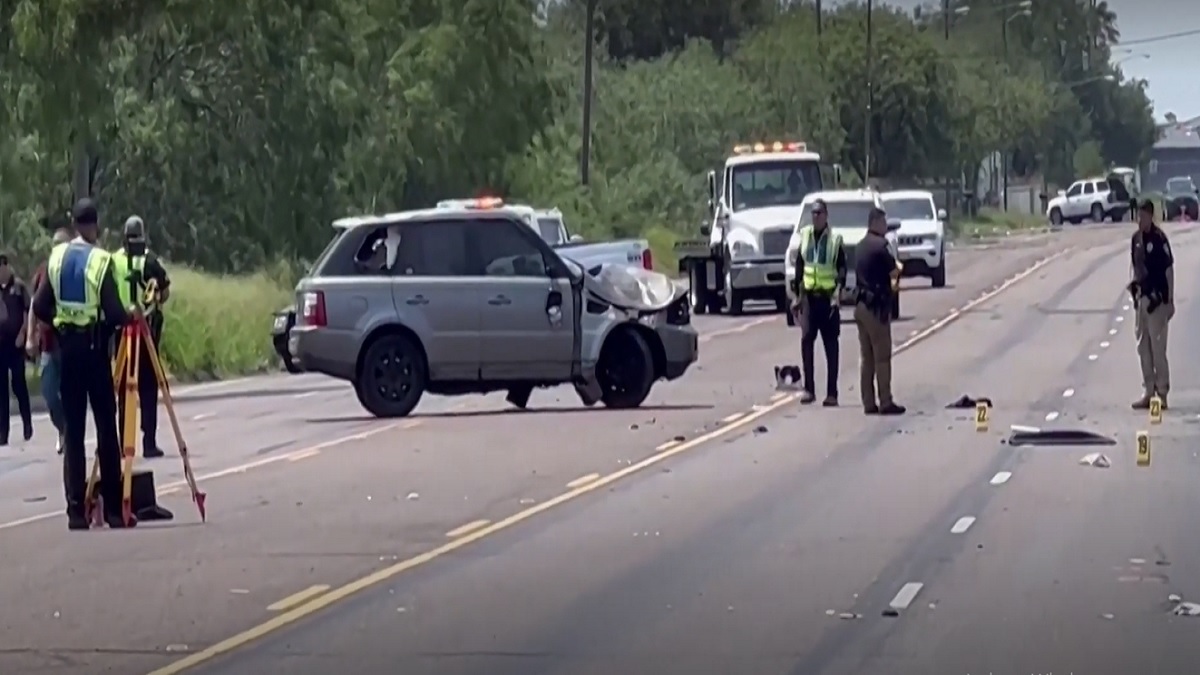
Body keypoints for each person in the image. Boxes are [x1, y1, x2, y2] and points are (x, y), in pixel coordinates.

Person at [32, 198, 139, 530]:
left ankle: (76, 510)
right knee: (107, 427)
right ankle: (111, 510)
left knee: (74, 432)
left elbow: (39, 306)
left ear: (74, 223)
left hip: (69, 352)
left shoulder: (57, 257)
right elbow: (115, 310)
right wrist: (126, 316)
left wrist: (63, 324)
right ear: (95, 226)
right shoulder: (100, 260)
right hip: (94, 350)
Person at [110, 216, 171, 458]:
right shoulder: (151, 260)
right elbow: (164, 292)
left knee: (125, 388)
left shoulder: (113, 260)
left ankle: (125, 443)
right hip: (145, 332)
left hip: (121, 331)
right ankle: (149, 441)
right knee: (147, 387)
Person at [790, 198, 846, 406]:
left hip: (827, 299)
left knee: (831, 346)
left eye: (819, 213)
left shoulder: (834, 240)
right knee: (806, 342)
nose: (816, 217)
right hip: (809, 299)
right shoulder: (804, 236)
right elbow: (799, 266)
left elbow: (841, 268)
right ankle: (809, 389)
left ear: (826, 215)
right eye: (813, 213)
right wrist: (796, 295)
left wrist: (838, 293)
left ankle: (832, 393)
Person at [26, 226, 75, 453]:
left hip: (68, 343)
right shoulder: (43, 272)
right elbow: (34, 307)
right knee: (48, 391)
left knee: (68, 393)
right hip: (47, 344)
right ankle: (63, 427)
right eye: (54, 245)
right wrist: (30, 337)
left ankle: (71, 433)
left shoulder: (73, 271)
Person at [854, 207, 906, 416]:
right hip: (876, 309)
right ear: (875, 223)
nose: (885, 227)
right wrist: (899, 268)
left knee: (866, 358)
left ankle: (868, 402)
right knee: (882, 356)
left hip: (860, 307)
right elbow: (894, 270)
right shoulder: (880, 246)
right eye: (883, 222)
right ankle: (885, 401)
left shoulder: (859, 246)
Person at [1129, 199, 1173, 410]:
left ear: (1150, 216)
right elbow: (1135, 268)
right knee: (1143, 347)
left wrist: (1170, 300)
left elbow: (1168, 270)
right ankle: (1149, 390)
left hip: (1157, 301)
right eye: (1138, 216)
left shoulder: (1159, 239)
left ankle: (1162, 392)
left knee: (1158, 348)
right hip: (1141, 300)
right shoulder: (1136, 239)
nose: (1140, 220)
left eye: (1143, 216)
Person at [0, 253, 34, 444]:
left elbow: (28, 310)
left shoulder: (18, 287)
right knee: (1, 391)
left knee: (19, 385)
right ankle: (2, 433)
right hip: (1, 345)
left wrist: (24, 333)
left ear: (7, 267)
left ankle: (27, 424)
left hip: (16, 344)